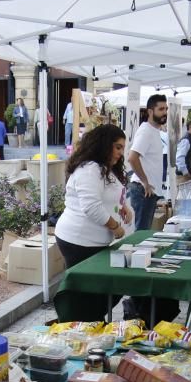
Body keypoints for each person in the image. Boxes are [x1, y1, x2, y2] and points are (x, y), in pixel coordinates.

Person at [53, 124, 133, 320]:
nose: (120, 153)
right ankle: (81, 325)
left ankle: (88, 323)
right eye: (117, 147)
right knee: (88, 293)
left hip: (94, 241)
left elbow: (111, 194)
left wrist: (123, 207)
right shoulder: (90, 169)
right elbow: (91, 207)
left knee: (96, 292)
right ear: (104, 145)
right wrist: (115, 227)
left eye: (122, 148)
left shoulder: (104, 168)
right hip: (79, 240)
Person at [125, 93, 167, 230]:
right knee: (140, 234)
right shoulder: (146, 131)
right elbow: (132, 157)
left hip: (147, 190)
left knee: (142, 232)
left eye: (166, 109)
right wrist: (145, 182)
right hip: (143, 190)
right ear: (150, 111)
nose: (165, 112)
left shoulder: (153, 131)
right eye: (161, 109)